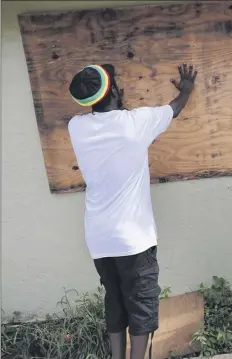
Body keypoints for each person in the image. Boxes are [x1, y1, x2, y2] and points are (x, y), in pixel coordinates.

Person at [67, 63, 197, 359]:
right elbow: (174, 108)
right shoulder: (136, 123)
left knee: (115, 300)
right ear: (114, 91)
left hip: (99, 239)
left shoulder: (77, 127)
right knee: (141, 302)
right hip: (133, 240)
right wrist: (187, 88)